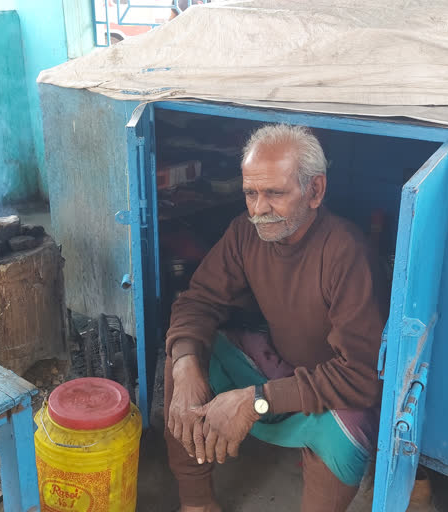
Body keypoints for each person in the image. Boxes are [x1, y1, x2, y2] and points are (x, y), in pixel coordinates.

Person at [164, 124, 387, 512]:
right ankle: (197, 504)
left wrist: (256, 402)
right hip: (279, 367)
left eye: (275, 193)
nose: (259, 209)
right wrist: (185, 371)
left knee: (345, 432)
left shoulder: (347, 253)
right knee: (185, 357)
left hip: (332, 392)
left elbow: (361, 376)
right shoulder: (244, 233)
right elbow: (197, 301)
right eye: (251, 193)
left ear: (315, 191)